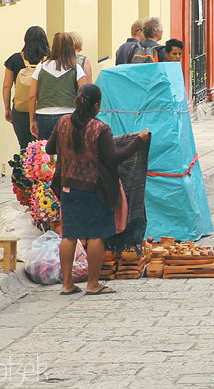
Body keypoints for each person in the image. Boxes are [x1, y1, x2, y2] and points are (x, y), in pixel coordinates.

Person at [46, 84, 149, 295]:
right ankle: (93, 284)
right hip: (94, 190)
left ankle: (67, 284)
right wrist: (139, 140)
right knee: (95, 235)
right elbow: (114, 159)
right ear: (96, 105)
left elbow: (49, 148)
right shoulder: (100, 128)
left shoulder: (63, 122)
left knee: (69, 235)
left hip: (67, 187)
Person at [29, 32, 87, 142]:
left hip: (43, 115)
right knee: (67, 152)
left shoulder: (41, 67)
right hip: (68, 115)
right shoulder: (76, 68)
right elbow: (83, 94)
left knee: (46, 153)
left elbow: (32, 96)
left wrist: (32, 120)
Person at [2, 26, 49, 149]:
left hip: (20, 109)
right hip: (42, 109)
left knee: (24, 146)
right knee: (41, 147)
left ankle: (24, 167)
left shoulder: (14, 59)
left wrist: (7, 108)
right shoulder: (49, 60)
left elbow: (7, 86)